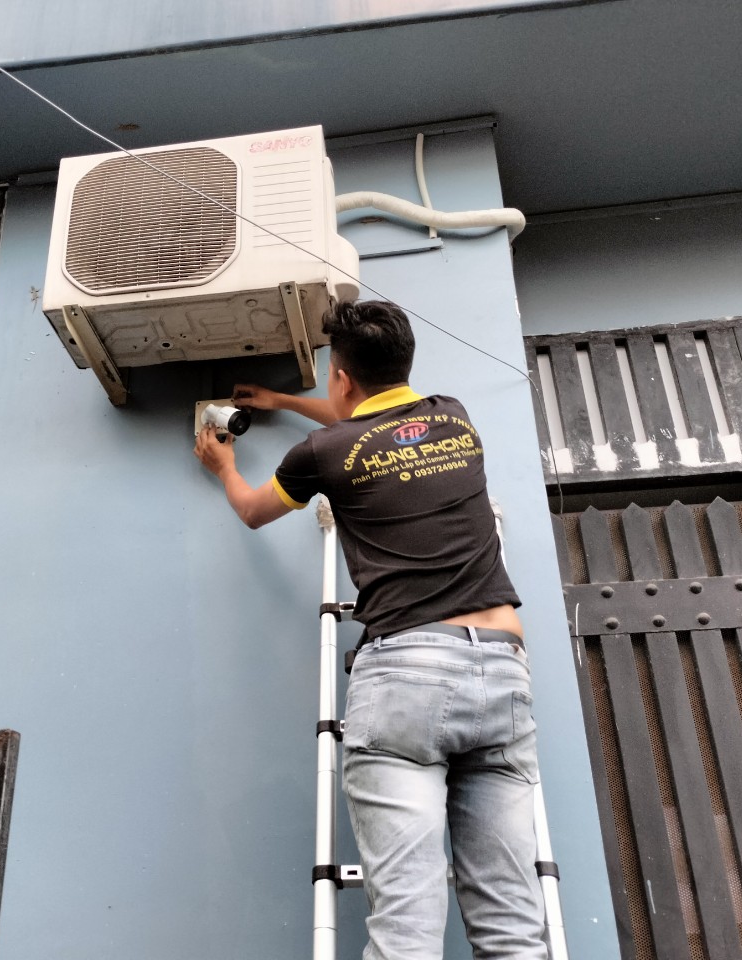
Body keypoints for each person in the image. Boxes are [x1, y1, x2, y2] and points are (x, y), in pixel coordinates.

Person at [193, 299, 547, 960]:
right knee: (512, 926)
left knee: (407, 928)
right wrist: (283, 400)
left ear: (341, 377)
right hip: (501, 668)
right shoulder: (453, 417)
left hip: (407, 673)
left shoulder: (321, 454)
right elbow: (371, 427)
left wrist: (224, 468)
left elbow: (254, 510)